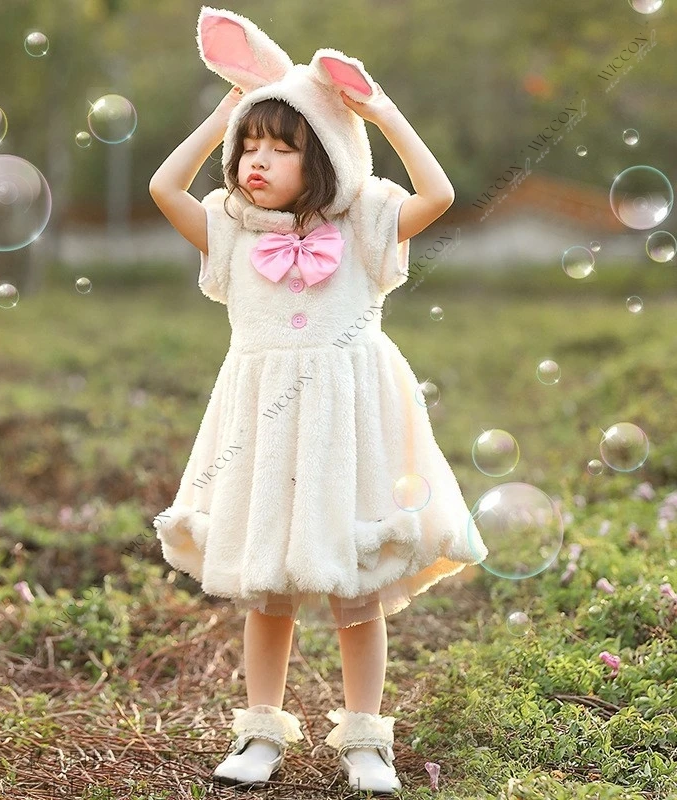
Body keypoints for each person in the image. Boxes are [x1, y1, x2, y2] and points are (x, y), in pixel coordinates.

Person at [149, 6, 488, 795]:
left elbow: (438, 193)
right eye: (249, 147)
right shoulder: (230, 226)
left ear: (328, 156)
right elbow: (165, 185)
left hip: (351, 421)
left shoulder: (367, 218)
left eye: (281, 146)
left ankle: (365, 741)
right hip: (264, 426)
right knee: (266, 589)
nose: (256, 160)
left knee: (354, 588)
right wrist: (227, 111)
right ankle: (259, 732)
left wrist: (383, 113)